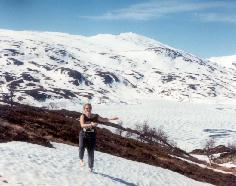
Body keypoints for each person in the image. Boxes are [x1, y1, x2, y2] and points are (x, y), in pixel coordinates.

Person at [79, 103, 119, 172]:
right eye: (87, 108)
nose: (88, 109)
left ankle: (90, 167)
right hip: (83, 134)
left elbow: (103, 120)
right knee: (81, 147)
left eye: (90, 108)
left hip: (92, 135)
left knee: (91, 152)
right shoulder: (83, 116)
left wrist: (111, 119)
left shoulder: (95, 116)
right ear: (84, 109)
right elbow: (82, 125)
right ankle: (81, 160)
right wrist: (91, 124)